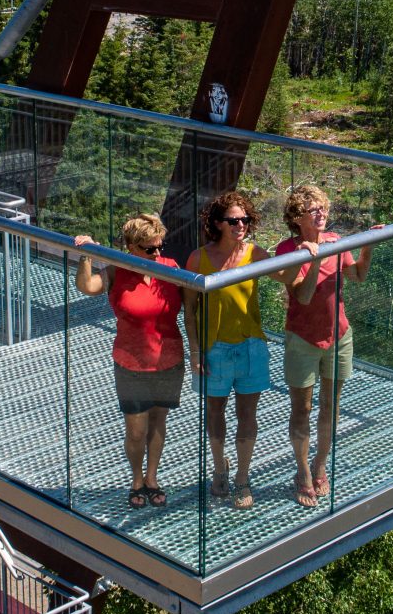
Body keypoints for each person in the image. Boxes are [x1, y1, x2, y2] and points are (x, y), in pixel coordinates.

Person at [274, 184, 379, 507]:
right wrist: (316, 258)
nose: (322, 214)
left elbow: (358, 276)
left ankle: (320, 464)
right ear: (297, 217)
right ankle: (303, 472)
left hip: (339, 335)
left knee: (330, 406)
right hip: (303, 339)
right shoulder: (286, 251)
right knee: (302, 409)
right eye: (313, 210)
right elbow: (302, 297)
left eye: (324, 208)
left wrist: (368, 246)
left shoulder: (335, 243)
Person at [74, 214, 185, 509]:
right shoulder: (116, 272)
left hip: (169, 358)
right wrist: (86, 255)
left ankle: (152, 478)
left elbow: (195, 306)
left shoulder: (171, 269)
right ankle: (136, 479)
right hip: (131, 362)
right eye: (150, 249)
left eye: (160, 246)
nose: (157, 254)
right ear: (132, 247)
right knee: (136, 431)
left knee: (159, 423)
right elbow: (87, 286)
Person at [184, 190, 269, 509]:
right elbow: (189, 310)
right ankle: (220, 467)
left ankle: (243, 478)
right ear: (217, 223)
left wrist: (307, 250)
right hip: (213, 347)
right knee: (215, 412)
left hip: (250, 346)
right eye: (233, 220)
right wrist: (194, 351)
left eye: (245, 219)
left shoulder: (255, 254)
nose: (241, 225)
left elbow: (287, 276)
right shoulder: (198, 259)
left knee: (248, 414)